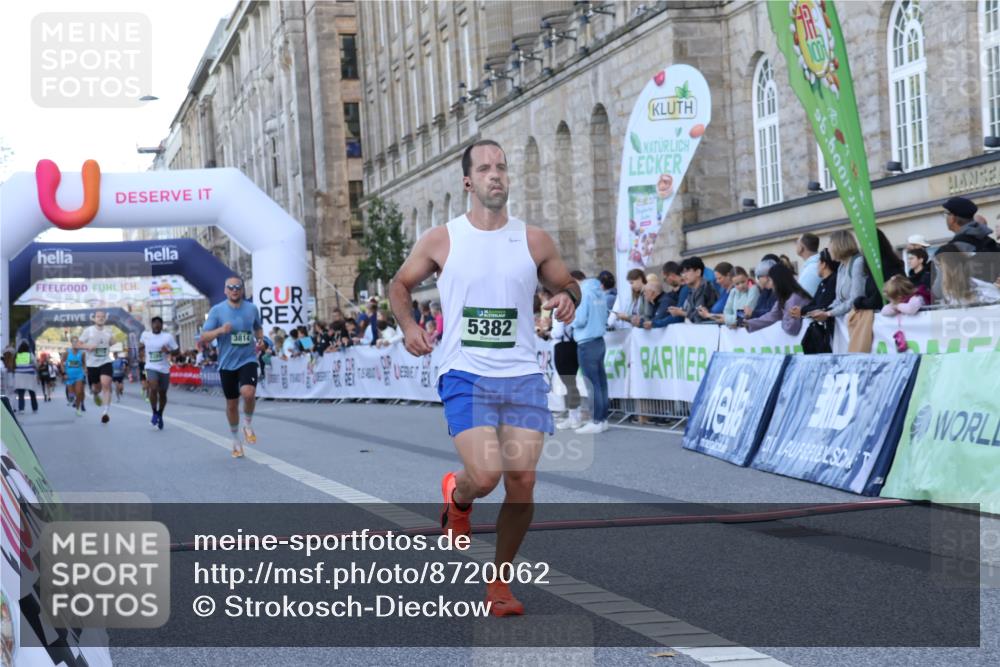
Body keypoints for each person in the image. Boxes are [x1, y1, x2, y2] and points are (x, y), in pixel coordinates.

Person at [388, 139, 579, 617]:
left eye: (502, 167)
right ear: (469, 181)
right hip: (465, 374)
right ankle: (458, 495)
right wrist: (410, 326)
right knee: (486, 476)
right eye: (486, 168)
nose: (497, 175)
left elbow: (566, 282)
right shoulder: (442, 239)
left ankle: (500, 583)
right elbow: (399, 285)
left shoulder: (533, 240)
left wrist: (569, 296)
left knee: (522, 479)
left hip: (521, 375)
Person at [199, 276, 265, 458]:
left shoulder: (252, 309)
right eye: (231, 287)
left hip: (248, 359)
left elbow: (258, 328)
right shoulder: (217, 311)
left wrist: (260, 339)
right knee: (232, 404)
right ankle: (236, 439)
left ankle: (248, 424)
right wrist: (220, 330)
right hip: (227, 364)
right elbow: (204, 337)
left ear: (242, 290)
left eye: (238, 287)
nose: (235, 290)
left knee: (249, 393)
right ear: (225, 290)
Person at [849, 229, 905, 353]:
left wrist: (858, 302)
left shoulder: (883, 267)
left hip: (890, 323)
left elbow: (877, 299)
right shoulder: (886, 263)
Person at [807, 231, 866, 341]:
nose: (828, 250)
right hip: (847, 323)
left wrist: (829, 313)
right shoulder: (841, 267)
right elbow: (839, 300)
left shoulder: (858, 262)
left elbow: (855, 299)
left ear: (839, 245)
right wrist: (824, 311)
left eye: (830, 245)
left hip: (858, 322)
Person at [572, 275, 610, 434]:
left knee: (591, 383)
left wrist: (570, 320)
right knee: (600, 382)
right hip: (599, 340)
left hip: (586, 341)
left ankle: (596, 420)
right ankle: (602, 419)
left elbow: (579, 320)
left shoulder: (583, 294)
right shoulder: (600, 293)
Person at [553, 270, 584, 431]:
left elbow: (557, 332)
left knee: (569, 382)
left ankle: (574, 416)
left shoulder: (559, 305)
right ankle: (573, 414)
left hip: (563, 346)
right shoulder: (576, 304)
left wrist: (550, 331)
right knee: (570, 383)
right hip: (573, 344)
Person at [792, 249, 839, 354]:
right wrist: (802, 310)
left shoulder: (833, 280)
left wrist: (802, 311)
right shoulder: (823, 283)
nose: (816, 266)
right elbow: (814, 303)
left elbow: (824, 306)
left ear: (823, 264)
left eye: (818, 262)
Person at [745, 263, 811, 335]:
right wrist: (747, 323)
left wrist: (782, 320)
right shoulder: (783, 298)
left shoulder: (794, 298)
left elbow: (791, 328)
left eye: (770, 280)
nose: (769, 285)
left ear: (778, 281)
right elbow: (771, 316)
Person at [140, 316, 179, 430]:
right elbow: (140, 345)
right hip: (151, 367)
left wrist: (169, 351)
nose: (156, 325)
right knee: (153, 387)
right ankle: (154, 412)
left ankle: (160, 414)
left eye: (159, 323)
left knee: (162, 394)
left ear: (162, 326)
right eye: (154, 323)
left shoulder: (167, 337)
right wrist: (138, 349)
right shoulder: (145, 335)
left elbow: (177, 351)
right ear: (151, 325)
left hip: (164, 369)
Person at [78, 310, 115, 424]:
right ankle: (95, 393)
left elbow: (113, 342)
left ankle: (105, 412)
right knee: (96, 388)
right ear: (94, 319)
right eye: (98, 316)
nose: (100, 318)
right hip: (92, 364)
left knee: (106, 384)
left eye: (102, 317)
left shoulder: (109, 331)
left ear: (105, 319)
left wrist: (112, 341)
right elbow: (78, 344)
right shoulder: (88, 331)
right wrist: (87, 346)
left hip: (105, 362)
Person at [670, 256, 717, 323]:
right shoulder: (692, 290)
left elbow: (699, 315)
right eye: (682, 272)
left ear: (698, 272)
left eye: (687, 271)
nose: (683, 276)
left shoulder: (705, 288)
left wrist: (682, 313)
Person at [63, 338, 87, 416]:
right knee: (71, 393)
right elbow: (61, 363)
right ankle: (71, 398)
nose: (76, 344)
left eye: (77, 343)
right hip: (69, 376)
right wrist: (64, 373)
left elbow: (84, 363)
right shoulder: (67, 353)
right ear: (72, 344)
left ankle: (78, 409)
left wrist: (85, 369)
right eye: (74, 342)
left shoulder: (82, 353)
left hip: (79, 375)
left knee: (79, 392)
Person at [14, 342, 39, 414]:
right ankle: (34, 408)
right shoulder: (30, 354)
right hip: (29, 375)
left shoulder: (17, 355)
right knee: (32, 392)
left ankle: (21, 409)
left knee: (21, 394)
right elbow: (35, 363)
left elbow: (14, 364)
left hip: (19, 375)